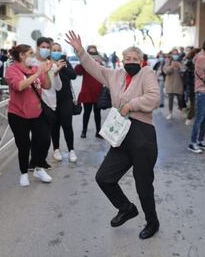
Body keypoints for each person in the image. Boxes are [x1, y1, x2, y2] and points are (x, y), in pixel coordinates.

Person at [66, 30, 161, 240]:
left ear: (142, 61)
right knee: (104, 177)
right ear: (122, 60)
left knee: (143, 184)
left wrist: (130, 105)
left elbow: (154, 98)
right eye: (127, 58)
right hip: (121, 135)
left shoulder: (147, 74)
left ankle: (152, 222)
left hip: (142, 135)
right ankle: (126, 208)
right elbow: (94, 68)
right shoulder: (115, 75)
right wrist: (81, 51)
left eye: (135, 59)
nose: (131, 61)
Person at [5, 44, 53, 187]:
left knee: (44, 140)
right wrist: (37, 74)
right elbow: (19, 86)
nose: (33, 57)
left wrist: (47, 73)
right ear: (22, 55)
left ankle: (38, 167)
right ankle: (24, 173)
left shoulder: (36, 69)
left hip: (37, 112)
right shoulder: (11, 70)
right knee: (24, 145)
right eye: (31, 54)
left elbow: (47, 86)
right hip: (18, 114)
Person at [34, 37, 65, 169]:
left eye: (48, 48)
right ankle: (36, 162)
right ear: (37, 47)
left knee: (45, 137)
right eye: (43, 47)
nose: (46, 50)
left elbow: (58, 87)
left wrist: (56, 73)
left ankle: (39, 161)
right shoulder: (32, 64)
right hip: (37, 104)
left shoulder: (52, 65)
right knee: (41, 136)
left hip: (51, 104)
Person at [50, 43, 78, 163]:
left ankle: (71, 150)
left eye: (58, 50)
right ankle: (56, 149)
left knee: (67, 125)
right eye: (54, 50)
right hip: (51, 99)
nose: (56, 52)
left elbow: (73, 76)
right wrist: (54, 69)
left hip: (65, 98)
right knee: (54, 125)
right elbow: (44, 78)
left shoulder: (65, 62)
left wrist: (63, 67)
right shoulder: (46, 63)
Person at [75, 45, 103, 139]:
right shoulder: (84, 63)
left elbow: (105, 74)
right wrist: (82, 61)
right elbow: (77, 72)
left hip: (98, 92)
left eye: (94, 53)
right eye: (90, 53)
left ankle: (98, 132)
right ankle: (84, 131)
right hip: (87, 92)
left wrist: (99, 63)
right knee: (86, 113)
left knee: (97, 113)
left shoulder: (100, 63)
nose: (92, 55)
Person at [164, 49, 184, 120]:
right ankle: (170, 113)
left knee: (180, 99)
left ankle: (181, 111)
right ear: (171, 55)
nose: (175, 55)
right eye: (174, 54)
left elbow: (184, 70)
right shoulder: (168, 62)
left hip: (179, 83)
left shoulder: (180, 62)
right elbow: (166, 71)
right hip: (170, 84)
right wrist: (172, 67)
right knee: (170, 99)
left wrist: (180, 67)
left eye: (176, 54)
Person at [184, 48, 199, 125]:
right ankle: (189, 117)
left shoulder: (201, 62)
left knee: (196, 103)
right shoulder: (190, 63)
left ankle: (193, 117)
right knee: (193, 102)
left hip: (198, 85)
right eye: (198, 53)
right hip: (192, 85)